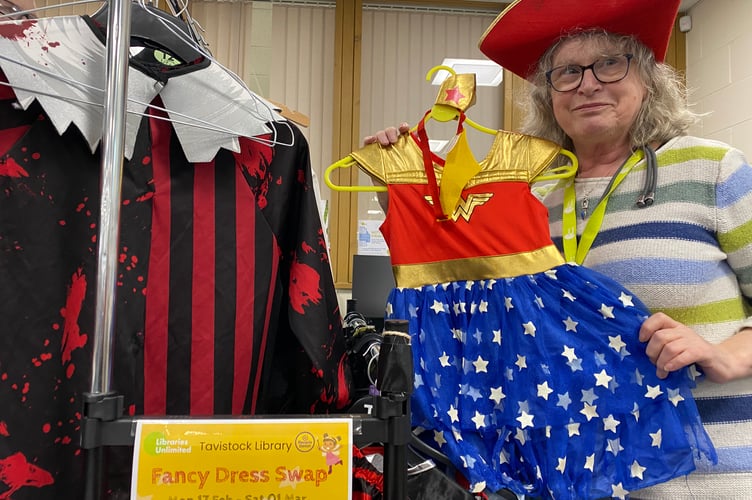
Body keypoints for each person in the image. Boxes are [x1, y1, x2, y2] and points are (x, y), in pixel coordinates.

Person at [362, 0, 752, 498]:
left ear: (649, 79)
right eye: (567, 72)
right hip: (569, 481)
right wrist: (397, 190)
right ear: (549, 96)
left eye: (610, 63)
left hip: (711, 479)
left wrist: (725, 354)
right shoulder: (530, 201)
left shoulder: (713, 170)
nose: (588, 83)